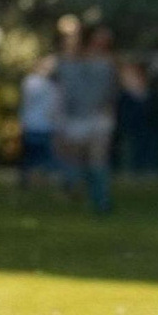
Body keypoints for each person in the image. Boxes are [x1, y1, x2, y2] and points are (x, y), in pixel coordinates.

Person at [53, 18, 118, 214]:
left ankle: (98, 201)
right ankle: (94, 199)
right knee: (86, 161)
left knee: (92, 161)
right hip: (81, 118)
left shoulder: (97, 65)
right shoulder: (73, 64)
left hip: (93, 118)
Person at [17, 52, 60, 185]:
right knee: (30, 157)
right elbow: (27, 103)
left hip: (50, 126)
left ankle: (43, 181)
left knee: (48, 158)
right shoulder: (31, 82)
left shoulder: (54, 84)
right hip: (33, 124)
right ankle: (26, 182)